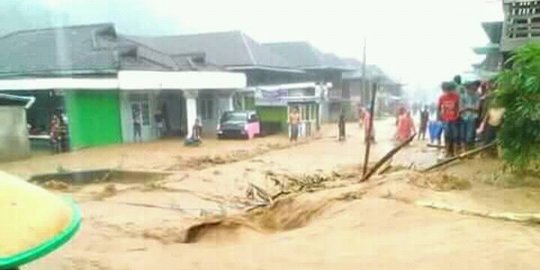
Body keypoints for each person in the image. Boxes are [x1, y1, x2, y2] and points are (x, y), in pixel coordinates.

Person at [438, 81, 460, 158]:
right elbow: (438, 108)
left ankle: (455, 152)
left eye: (449, 89)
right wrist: (440, 117)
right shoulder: (441, 97)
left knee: (455, 136)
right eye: (446, 90)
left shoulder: (456, 97)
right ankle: (447, 152)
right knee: (447, 136)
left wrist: (457, 115)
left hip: (454, 119)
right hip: (446, 119)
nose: (448, 91)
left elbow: (458, 107)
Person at [460, 81, 481, 150]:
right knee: (463, 134)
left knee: (470, 135)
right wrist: (468, 108)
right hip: (464, 117)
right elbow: (460, 109)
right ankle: (465, 150)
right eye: (468, 88)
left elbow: (477, 109)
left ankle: (469, 150)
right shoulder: (462, 96)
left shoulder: (477, 95)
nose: (470, 89)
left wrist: (467, 108)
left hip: (472, 117)